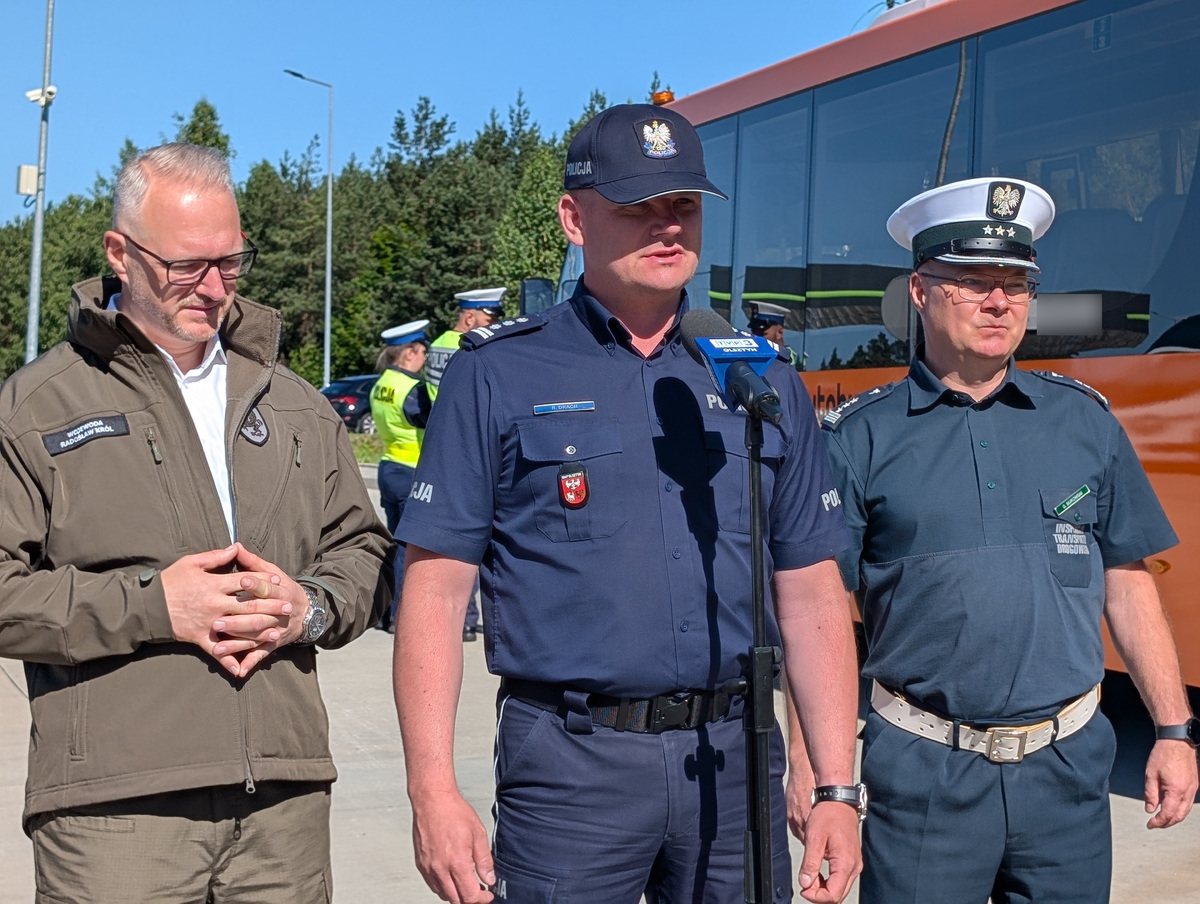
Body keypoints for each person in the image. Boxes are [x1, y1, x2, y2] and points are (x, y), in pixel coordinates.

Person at [393, 103, 863, 904]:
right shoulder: (497, 373)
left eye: (682, 205)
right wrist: (432, 790)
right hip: (572, 768)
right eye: (637, 206)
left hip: (733, 762)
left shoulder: (758, 378)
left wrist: (834, 786)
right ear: (574, 219)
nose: (667, 225)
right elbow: (434, 593)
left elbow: (812, 589)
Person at [0, 143, 393, 903]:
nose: (213, 288)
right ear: (119, 253)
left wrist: (309, 608)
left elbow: (363, 552)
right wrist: (154, 606)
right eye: (185, 266)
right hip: (115, 814)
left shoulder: (294, 405)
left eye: (230, 262)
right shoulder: (37, 408)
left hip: (283, 809)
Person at [798, 176, 1199, 903]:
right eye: (974, 282)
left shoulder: (1085, 423)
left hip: (1067, 776)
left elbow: (1127, 580)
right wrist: (823, 780)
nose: (999, 301)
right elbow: (815, 617)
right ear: (919, 292)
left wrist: (1174, 729)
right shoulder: (859, 439)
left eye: (1016, 284)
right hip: (924, 775)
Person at [424, 286, 506, 641]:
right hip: (466, 444)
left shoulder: (436, 346)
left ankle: (465, 619)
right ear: (470, 317)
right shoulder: (470, 347)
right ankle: (470, 619)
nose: (494, 323)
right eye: (490, 317)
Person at [370, 320, 432, 633]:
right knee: (410, 550)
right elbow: (431, 421)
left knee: (395, 544)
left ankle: (384, 611)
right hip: (412, 472)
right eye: (422, 353)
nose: (425, 359)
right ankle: (398, 616)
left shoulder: (382, 383)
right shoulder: (413, 389)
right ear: (409, 353)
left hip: (388, 467)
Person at [748, 300, 800, 369]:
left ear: (779, 333)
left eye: (762, 335)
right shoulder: (751, 357)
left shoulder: (789, 359)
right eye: (754, 333)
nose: (756, 338)